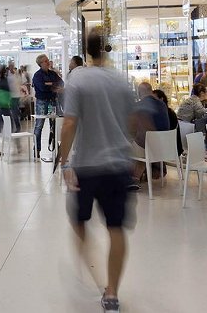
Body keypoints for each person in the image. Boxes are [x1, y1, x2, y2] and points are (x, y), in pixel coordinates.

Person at [58, 30, 134, 313]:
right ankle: (112, 292)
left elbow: (69, 124)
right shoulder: (122, 81)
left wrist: (65, 163)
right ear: (108, 49)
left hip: (87, 166)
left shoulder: (78, 79)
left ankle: (92, 271)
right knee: (116, 228)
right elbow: (133, 124)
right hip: (117, 166)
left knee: (79, 221)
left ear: (86, 51)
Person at [131, 81, 170, 182]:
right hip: (167, 147)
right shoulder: (162, 105)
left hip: (150, 148)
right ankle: (151, 171)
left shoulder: (140, 106)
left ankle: (134, 177)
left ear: (139, 93)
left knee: (128, 144)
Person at [32, 53, 64, 158]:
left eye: (48, 60)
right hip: (41, 102)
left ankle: (56, 149)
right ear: (41, 63)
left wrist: (49, 84)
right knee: (39, 126)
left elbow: (61, 83)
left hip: (53, 101)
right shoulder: (37, 76)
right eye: (45, 61)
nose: (48, 62)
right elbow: (42, 88)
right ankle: (37, 149)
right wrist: (52, 85)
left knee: (54, 125)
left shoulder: (52, 74)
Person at [153, 89, 183, 156]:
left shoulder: (166, 114)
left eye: (154, 100)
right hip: (174, 146)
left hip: (169, 148)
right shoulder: (168, 111)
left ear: (161, 99)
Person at [7, 62, 22, 132]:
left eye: (12, 66)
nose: (11, 67)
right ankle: (13, 126)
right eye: (10, 66)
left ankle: (17, 126)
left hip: (16, 96)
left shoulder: (16, 74)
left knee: (14, 112)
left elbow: (20, 82)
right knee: (13, 112)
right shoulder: (7, 75)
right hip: (11, 96)